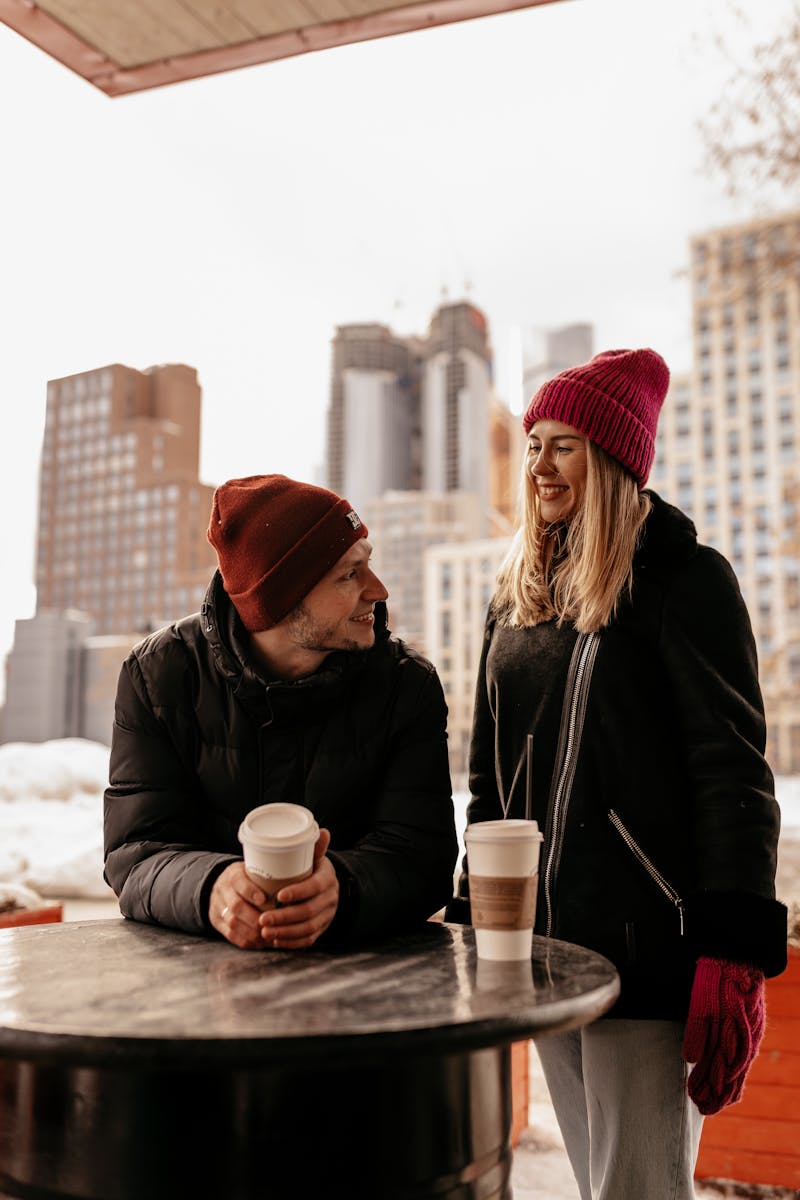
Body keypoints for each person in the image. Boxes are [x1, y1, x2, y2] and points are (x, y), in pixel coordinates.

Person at [449, 349, 787, 1200]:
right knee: (593, 1179)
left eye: (564, 445)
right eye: (534, 443)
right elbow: (489, 779)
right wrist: (472, 914)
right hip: (544, 947)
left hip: (649, 951)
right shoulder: (515, 597)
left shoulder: (683, 583)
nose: (540, 464)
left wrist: (730, 951)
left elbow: (733, 772)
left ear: (612, 460)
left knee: (636, 1191)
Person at [104, 474, 457, 951]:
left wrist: (344, 888)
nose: (379, 590)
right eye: (349, 574)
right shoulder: (160, 676)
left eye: (367, 565)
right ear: (283, 599)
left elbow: (425, 857)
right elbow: (135, 853)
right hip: (196, 989)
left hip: (364, 982)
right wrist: (210, 889)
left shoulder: (405, 685)